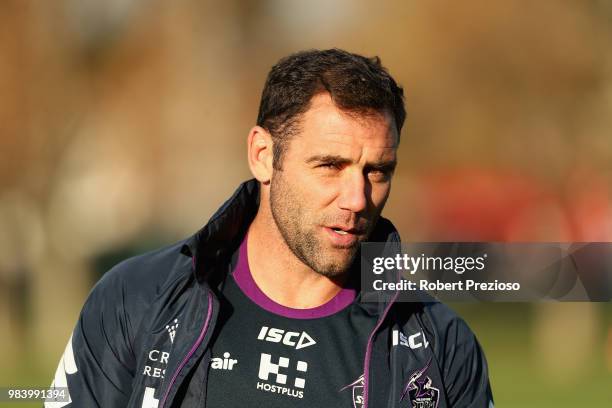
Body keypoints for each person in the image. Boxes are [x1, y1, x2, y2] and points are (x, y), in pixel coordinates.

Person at [46, 48, 494, 408]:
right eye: (330, 165)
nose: (357, 198)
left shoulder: (440, 347)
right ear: (263, 155)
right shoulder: (136, 299)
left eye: (377, 171)